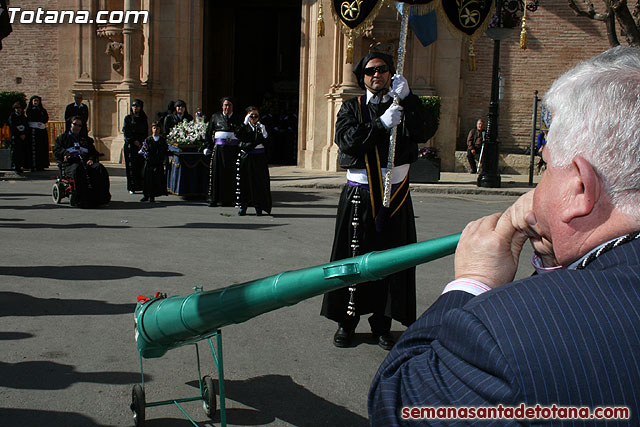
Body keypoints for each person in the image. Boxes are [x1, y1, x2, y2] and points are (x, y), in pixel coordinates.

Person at [369, 46, 640, 425]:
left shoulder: (502, 332)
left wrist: (471, 283)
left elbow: (398, 405)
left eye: (546, 168)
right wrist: (554, 261)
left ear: (580, 187)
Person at [320, 52, 435, 350]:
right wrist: (381, 124)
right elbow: (347, 141)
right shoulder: (351, 107)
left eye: (383, 70)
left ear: (391, 74)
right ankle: (347, 322)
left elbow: (425, 130)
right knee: (353, 258)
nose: (377, 75)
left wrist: (409, 99)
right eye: (371, 71)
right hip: (360, 193)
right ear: (363, 77)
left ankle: (382, 324)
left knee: (390, 260)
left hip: (396, 194)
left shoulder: (404, 105)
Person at [53, 116, 111, 207]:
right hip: (70, 164)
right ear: (70, 125)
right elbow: (56, 150)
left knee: (99, 168)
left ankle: (101, 198)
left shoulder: (86, 140)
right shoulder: (62, 138)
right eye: (75, 124)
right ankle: (81, 199)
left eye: (79, 125)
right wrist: (65, 153)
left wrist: (91, 159)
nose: (77, 127)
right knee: (78, 169)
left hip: (85, 162)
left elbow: (93, 152)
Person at [204, 96, 242, 207]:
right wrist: (208, 146)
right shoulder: (215, 117)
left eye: (229, 105)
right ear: (222, 106)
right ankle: (214, 199)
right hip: (219, 150)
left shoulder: (238, 118)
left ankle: (230, 199)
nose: (227, 107)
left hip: (233, 151)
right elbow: (208, 133)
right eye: (225, 105)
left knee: (232, 175)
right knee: (217, 174)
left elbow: (242, 133)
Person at [235, 106, 272, 216]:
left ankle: (259, 206)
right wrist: (244, 124)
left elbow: (268, 141)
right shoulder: (244, 127)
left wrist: (264, 132)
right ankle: (243, 206)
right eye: (252, 115)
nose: (254, 118)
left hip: (259, 157)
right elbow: (238, 136)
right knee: (245, 182)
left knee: (258, 183)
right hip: (246, 157)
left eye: (256, 115)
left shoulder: (261, 127)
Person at [122, 99, 148, 194]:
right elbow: (126, 131)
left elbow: (145, 132)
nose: (135, 107)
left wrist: (142, 143)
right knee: (131, 167)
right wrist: (134, 141)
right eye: (133, 106)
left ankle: (140, 185)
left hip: (140, 145)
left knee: (140, 166)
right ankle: (131, 187)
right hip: (130, 145)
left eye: (137, 106)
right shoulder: (128, 118)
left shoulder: (143, 118)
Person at [138, 121, 167, 203]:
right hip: (149, 163)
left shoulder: (162, 140)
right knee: (147, 180)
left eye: (157, 128)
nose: (155, 130)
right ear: (151, 129)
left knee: (156, 180)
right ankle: (146, 195)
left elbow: (164, 150)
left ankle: (152, 196)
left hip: (158, 163)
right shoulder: (148, 139)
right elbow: (143, 150)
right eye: (154, 128)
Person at [25, 95, 50, 171]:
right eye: (34, 101)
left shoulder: (42, 110)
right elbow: (31, 117)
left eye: (37, 101)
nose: (36, 102)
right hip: (33, 131)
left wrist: (41, 122)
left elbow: (45, 118)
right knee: (33, 149)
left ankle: (41, 165)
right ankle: (32, 165)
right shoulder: (29, 110)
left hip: (41, 131)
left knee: (41, 148)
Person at [8, 101, 27, 174]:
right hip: (16, 137)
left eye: (20, 108)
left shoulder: (23, 117)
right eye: (17, 108)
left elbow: (26, 126)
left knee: (22, 152)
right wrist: (19, 134)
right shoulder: (12, 117)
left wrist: (24, 133)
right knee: (16, 152)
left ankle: (21, 166)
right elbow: (12, 127)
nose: (18, 110)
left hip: (23, 136)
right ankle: (16, 167)